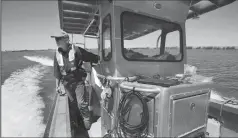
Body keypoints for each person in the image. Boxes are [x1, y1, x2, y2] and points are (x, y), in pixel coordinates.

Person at [51, 31, 100, 132]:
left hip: (78, 82)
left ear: (66, 40)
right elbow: (57, 72)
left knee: (81, 103)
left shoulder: (76, 50)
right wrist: (57, 86)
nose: (56, 41)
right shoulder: (56, 54)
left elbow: (90, 56)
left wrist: (100, 59)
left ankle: (87, 123)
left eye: (59, 39)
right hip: (67, 84)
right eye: (56, 39)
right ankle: (76, 122)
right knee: (73, 104)